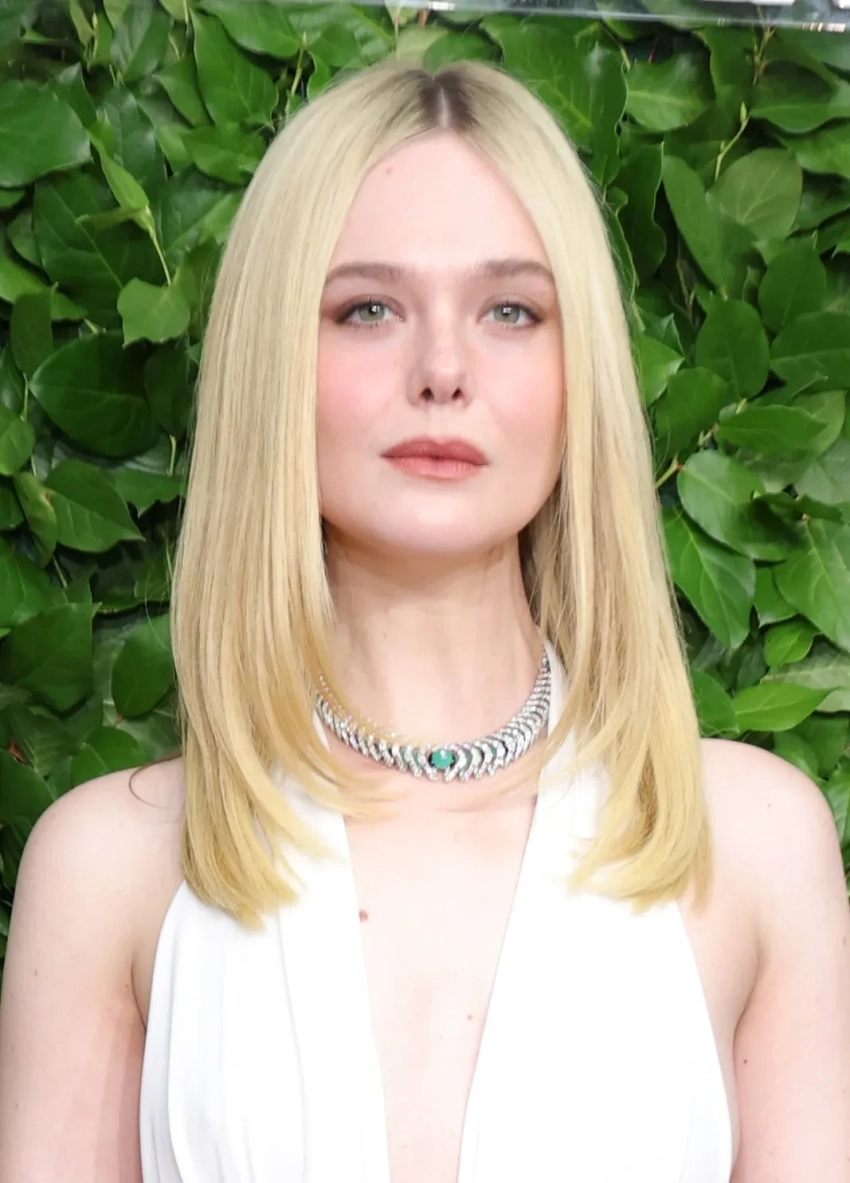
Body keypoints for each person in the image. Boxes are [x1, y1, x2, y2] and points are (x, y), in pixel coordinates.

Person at [1, 57, 848, 1183]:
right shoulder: (111, 869)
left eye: (510, 310)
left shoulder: (751, 844)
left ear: (579, 370)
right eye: (368, 309)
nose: (443, 369)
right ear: (273, 362)